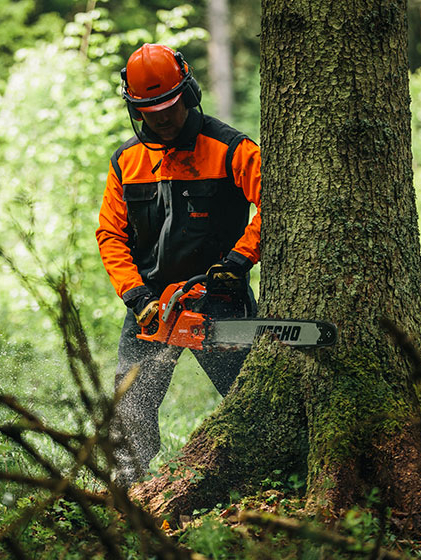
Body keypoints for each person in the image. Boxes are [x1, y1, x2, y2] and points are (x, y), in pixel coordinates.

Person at [95, 43, 262, 488]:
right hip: (151, 307)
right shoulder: (127, 162)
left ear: (187, 93)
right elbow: (111, 235)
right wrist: (136, 296)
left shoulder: (231, 149)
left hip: (219, 301)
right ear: (135, 107)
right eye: (150, 110)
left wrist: (239, 261)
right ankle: (125, 490)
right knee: (129, 408)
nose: (162, 118)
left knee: (254, 400)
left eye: (169, 106)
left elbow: (275, 205)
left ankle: (263, 480)